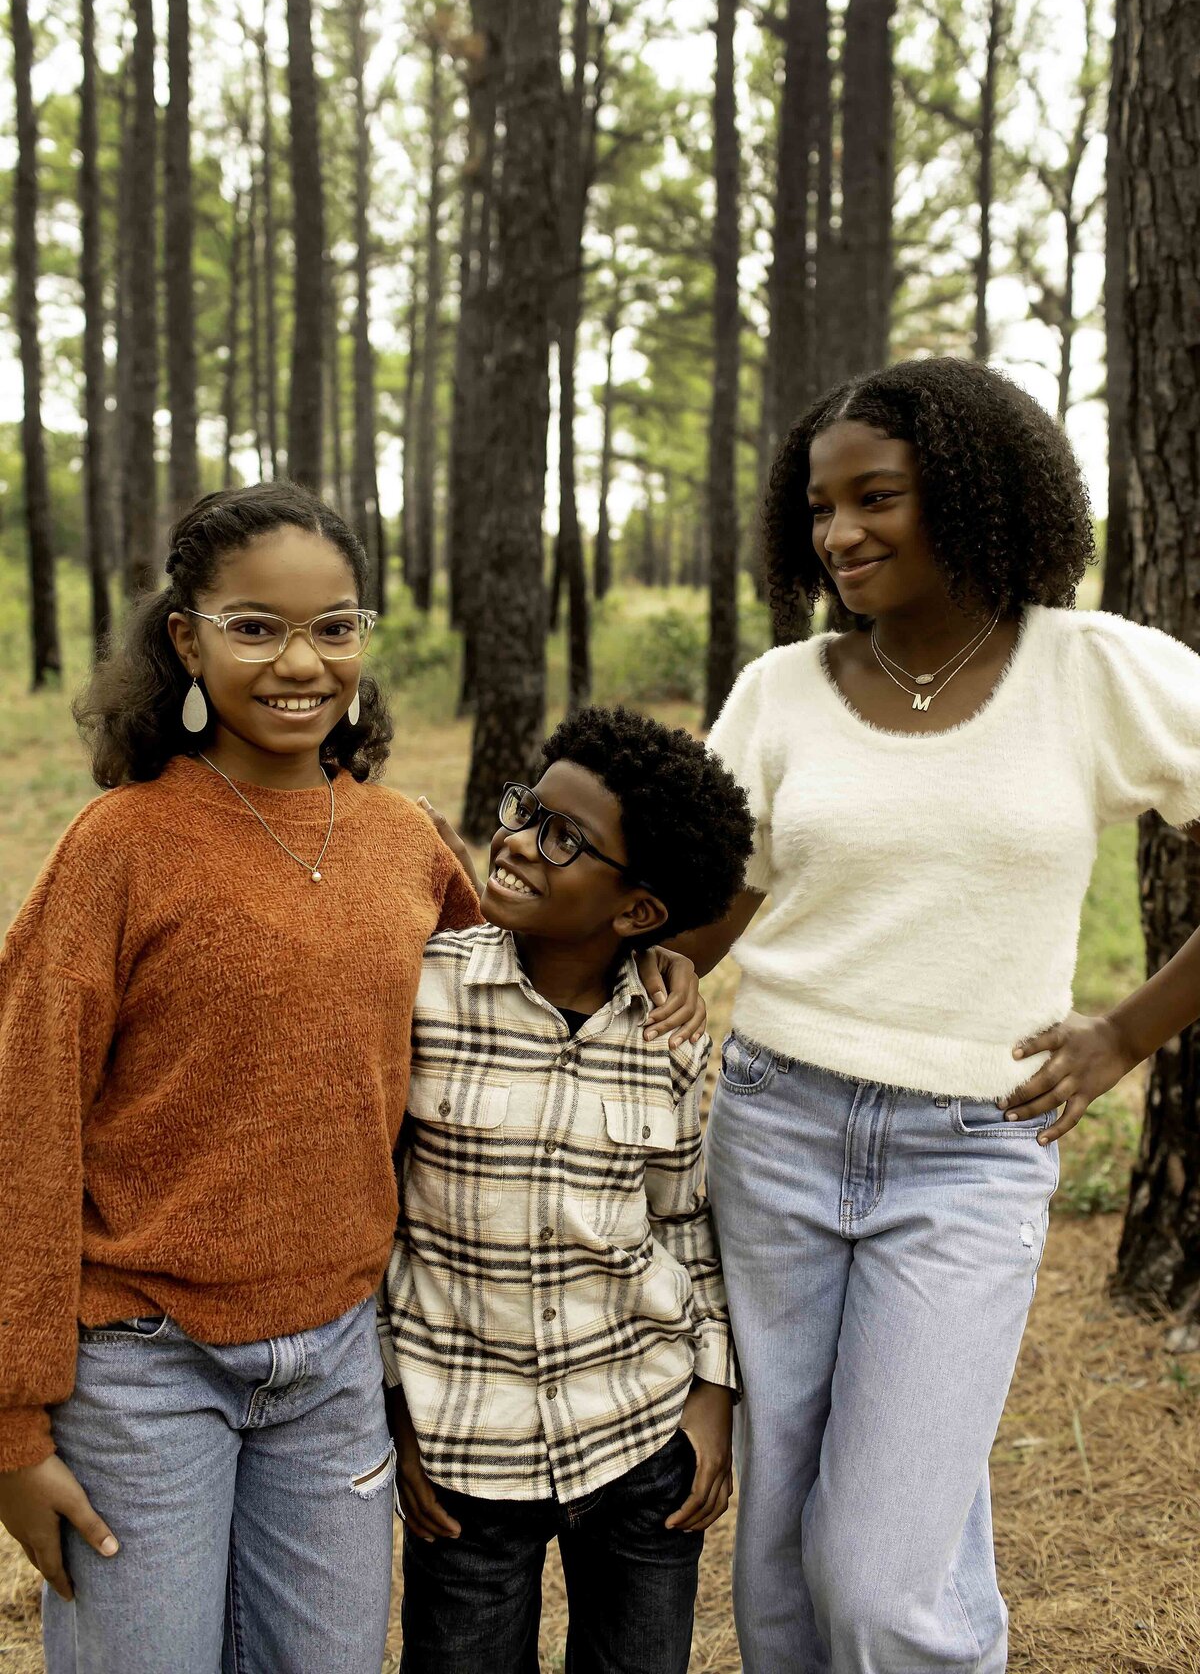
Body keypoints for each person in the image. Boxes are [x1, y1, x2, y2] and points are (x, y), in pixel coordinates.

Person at [0, 485, 702, 1674]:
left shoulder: (402, 841)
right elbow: (25, 1123)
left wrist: (649, 954)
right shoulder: (116, 847)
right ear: (186, 638)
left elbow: (519, 999)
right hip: (145, 1365)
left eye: (334, 626)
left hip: (334, 1364)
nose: (300, 661)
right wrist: (14, 1425)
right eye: (254, 626)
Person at [671, 358, 1200, 1674]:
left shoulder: (1091, 671)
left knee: (881, 1569)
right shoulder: (780, 690)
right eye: (819, 509)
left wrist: (1127, 1030)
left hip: (972, 1150)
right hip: (777, 1126)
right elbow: (704, 911)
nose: (841, 533)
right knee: (787, 1553)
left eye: (878, 497)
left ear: (972, 492)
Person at [380, 706, 752, 1674]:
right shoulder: (422, 995)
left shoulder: (667, 1036)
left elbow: (683, 1219)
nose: (515, 842)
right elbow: (373, 1221)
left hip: (638, 1437)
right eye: (524, 810)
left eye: (563, 838)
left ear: (637, 913)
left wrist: (712, 1391)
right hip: (466, 1456)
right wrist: (395, 1413)